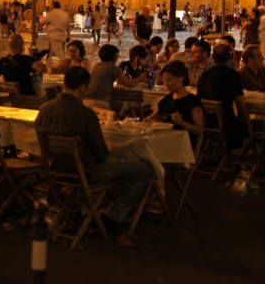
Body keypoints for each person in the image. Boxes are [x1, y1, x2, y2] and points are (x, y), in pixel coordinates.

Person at [35, 67, 153, 247]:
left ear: (65, 83)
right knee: (145, 169)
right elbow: (101, 153)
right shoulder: (85, 114)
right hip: (88, 171)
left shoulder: (44, 109)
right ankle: (113, 215)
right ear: (83, 88)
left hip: (56, 170)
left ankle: (85, 210)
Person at [197, 44, 249, 150]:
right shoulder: (233, 75)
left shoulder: (204, 75)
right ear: (229, 57)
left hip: (207, 122)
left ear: (212, 56)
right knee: (253, 124)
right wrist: (246, 119)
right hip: (227, 123)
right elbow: (239, 103)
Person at [147, 60, 204, 136]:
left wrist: (181, 122)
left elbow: (199, 130)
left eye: (169, 80)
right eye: (164, 81)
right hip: (162, 138)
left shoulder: (192, 101)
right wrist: (148, 120)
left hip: (181, 142)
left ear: (181, 78)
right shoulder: (167, 99)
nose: (166, 84)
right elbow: (152, 118)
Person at [84, 44, 146, 109]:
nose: (117, 57)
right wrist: (140, 78)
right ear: (114, 56)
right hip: (100, 102)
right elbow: (129, 85)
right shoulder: (112, 68)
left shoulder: (97, 66)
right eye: (117, 55)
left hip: (85, 100)